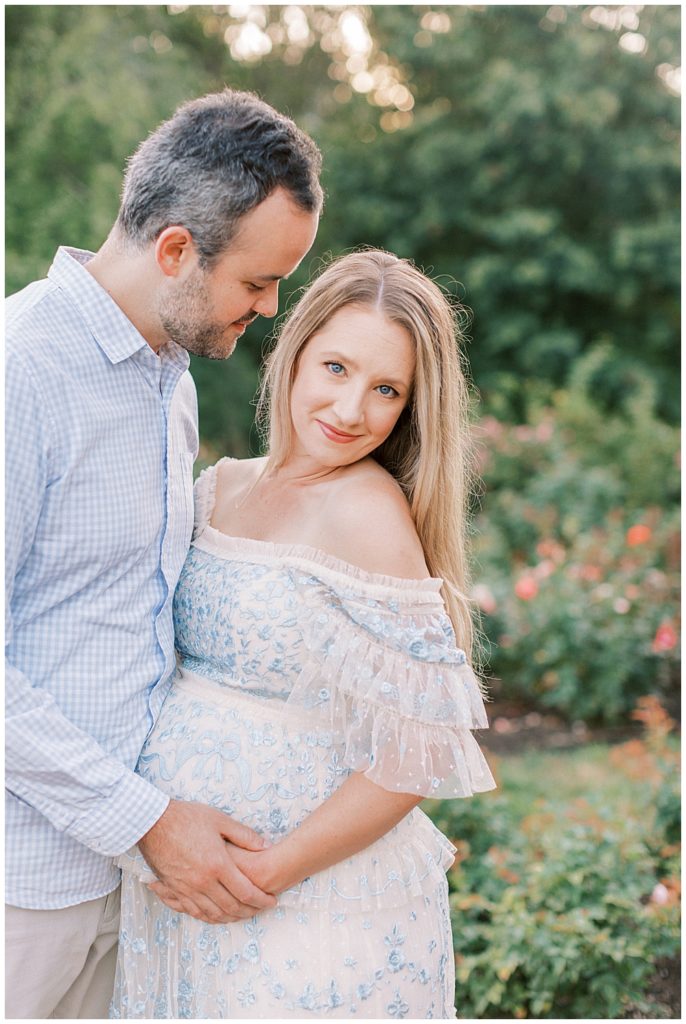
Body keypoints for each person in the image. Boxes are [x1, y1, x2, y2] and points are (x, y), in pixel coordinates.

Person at [110, 249, 496, 1019]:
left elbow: (411, 759)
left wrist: (262, 876)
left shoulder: (368, 511)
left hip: (301, 904)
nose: (351, 409)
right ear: (294, 352)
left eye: (386, 389)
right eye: (336, 367)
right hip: (179, 890)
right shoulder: (221, 485)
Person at [5, 88, 322, 1019]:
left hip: (137, 877)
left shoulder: (168, 379)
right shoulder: (20, 370)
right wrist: (146, 822)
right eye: (258, 284)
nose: (266, 311)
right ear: (177, 249)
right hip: (23, 884)